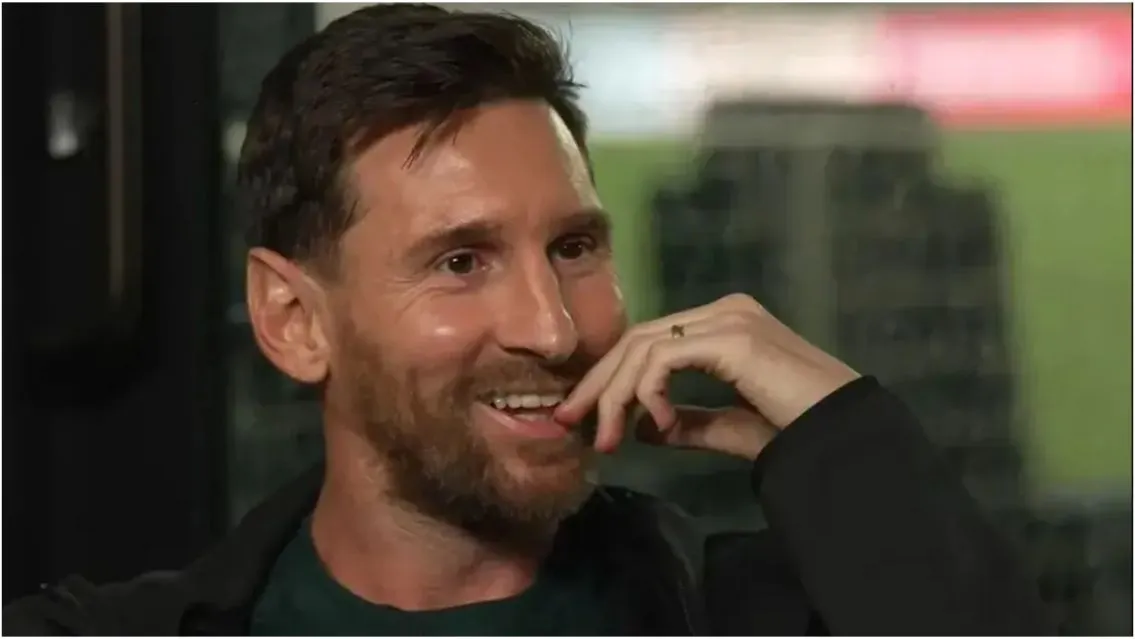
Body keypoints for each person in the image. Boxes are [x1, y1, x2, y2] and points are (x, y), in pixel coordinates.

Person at [4, 4, 1052, 635]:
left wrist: (837, 432)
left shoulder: (759, 614)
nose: (552, 330)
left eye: (575, 248)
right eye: (460, 262)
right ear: (292, 319)